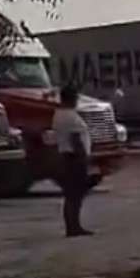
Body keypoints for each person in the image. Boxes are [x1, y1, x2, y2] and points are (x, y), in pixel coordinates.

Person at [52, 86, 93, 237]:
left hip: (66, 156)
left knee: (70, 194)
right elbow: (76, 140)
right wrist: (85, 159)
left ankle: (72, 225)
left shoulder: (58, 115)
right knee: (75, 195)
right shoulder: (70, 117)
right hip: (75, 158)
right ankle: (74, 226)